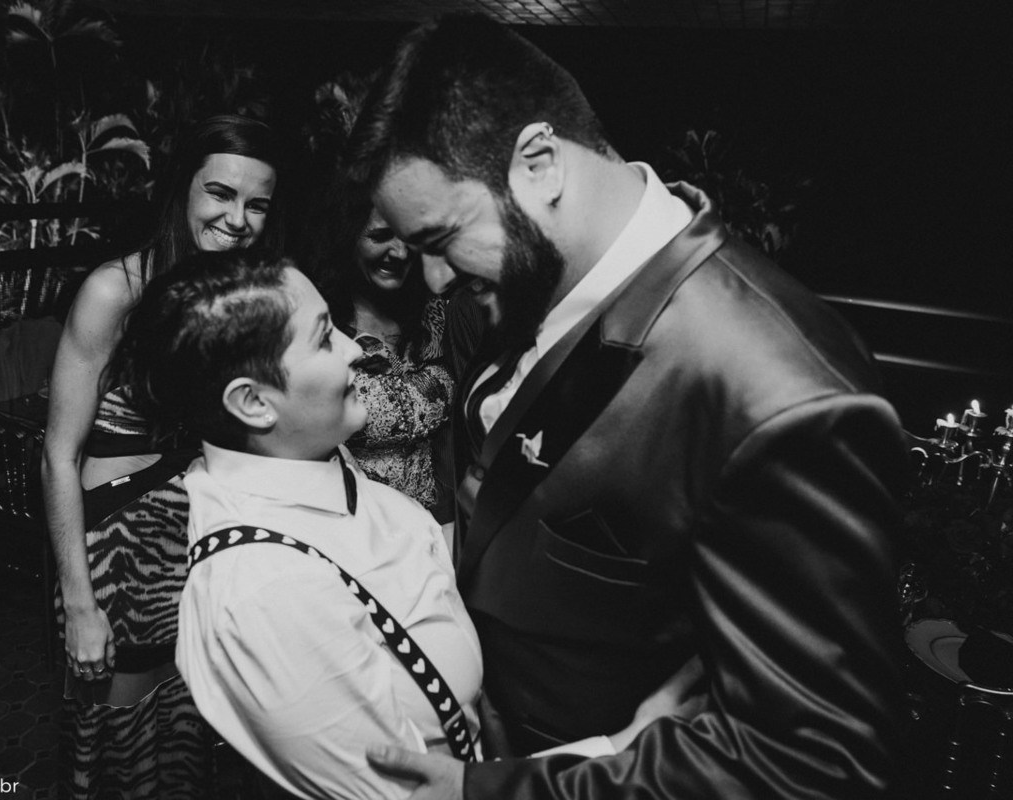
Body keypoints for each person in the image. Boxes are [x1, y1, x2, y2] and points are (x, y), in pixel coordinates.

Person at [351, 15, 909, 800]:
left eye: (443, 240)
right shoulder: (532, 284)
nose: (435, 282)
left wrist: (496, 792)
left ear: (540, 163)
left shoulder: (782, 398)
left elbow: (814, 762)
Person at [110, 251, 481, 799]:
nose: (355, 350)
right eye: (325, 337)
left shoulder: (319, 467)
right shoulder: (267, 590)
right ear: (254, 402)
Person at [41, 114, 281, 797]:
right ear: (183, 190)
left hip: (196, 553)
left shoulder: (234, 299)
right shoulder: (115, 290)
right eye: (220, 194)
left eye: (257, 204)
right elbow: (58, 455)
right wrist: (80, 603)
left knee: (182, 742)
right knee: (119, 752)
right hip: (117, 560)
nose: (237, 219)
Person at [302, 177, 454, 518]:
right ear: (348, 235)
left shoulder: (437, 313)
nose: (399, 253)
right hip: (352, 523)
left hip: (435, 524)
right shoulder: (315, 323)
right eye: (380, 236)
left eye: (408, 237)